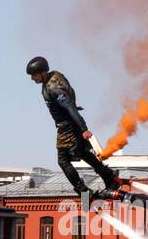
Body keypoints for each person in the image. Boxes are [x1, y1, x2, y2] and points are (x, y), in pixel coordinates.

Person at [26, 56, 120, 199]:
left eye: (34, 75)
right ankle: (109, 177)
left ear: (43, 72)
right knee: (82, 152)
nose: (32, 78)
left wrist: (84, 129)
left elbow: (68, 105)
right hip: (71, 123)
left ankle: (84, 192)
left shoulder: (52, 87)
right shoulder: (55, 77)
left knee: (63, 161)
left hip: (67, 127)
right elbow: (69, 99)